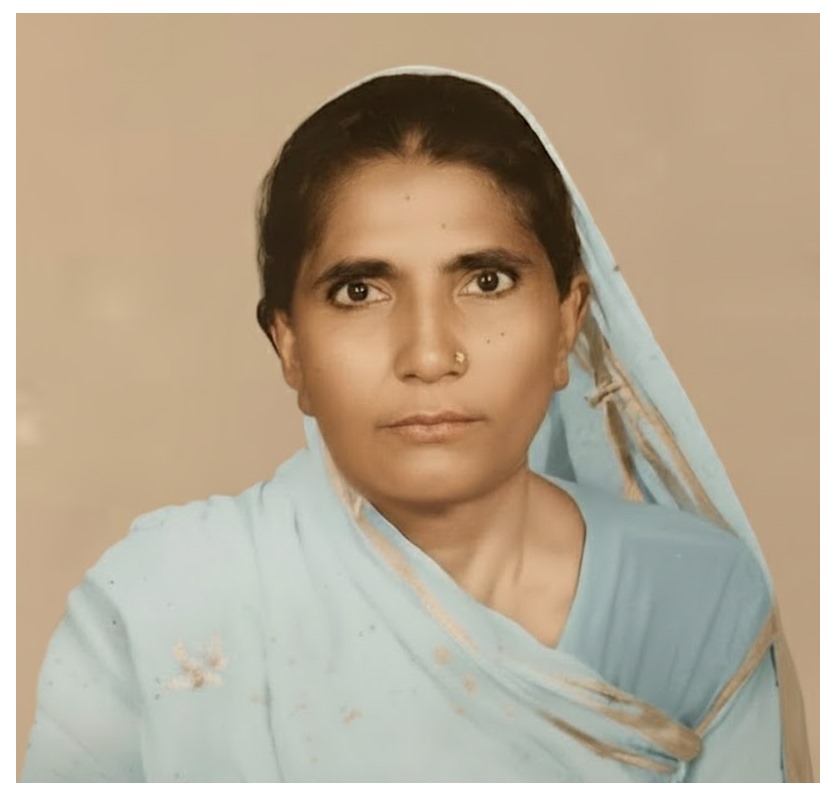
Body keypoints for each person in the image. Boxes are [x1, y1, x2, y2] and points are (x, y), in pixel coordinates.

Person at [22, 66, 812, 782]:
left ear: (567, 323)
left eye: (486, 280)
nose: (430, 354)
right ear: (288, 345)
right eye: (359, 291)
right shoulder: (161, 600)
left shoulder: (692, 597)